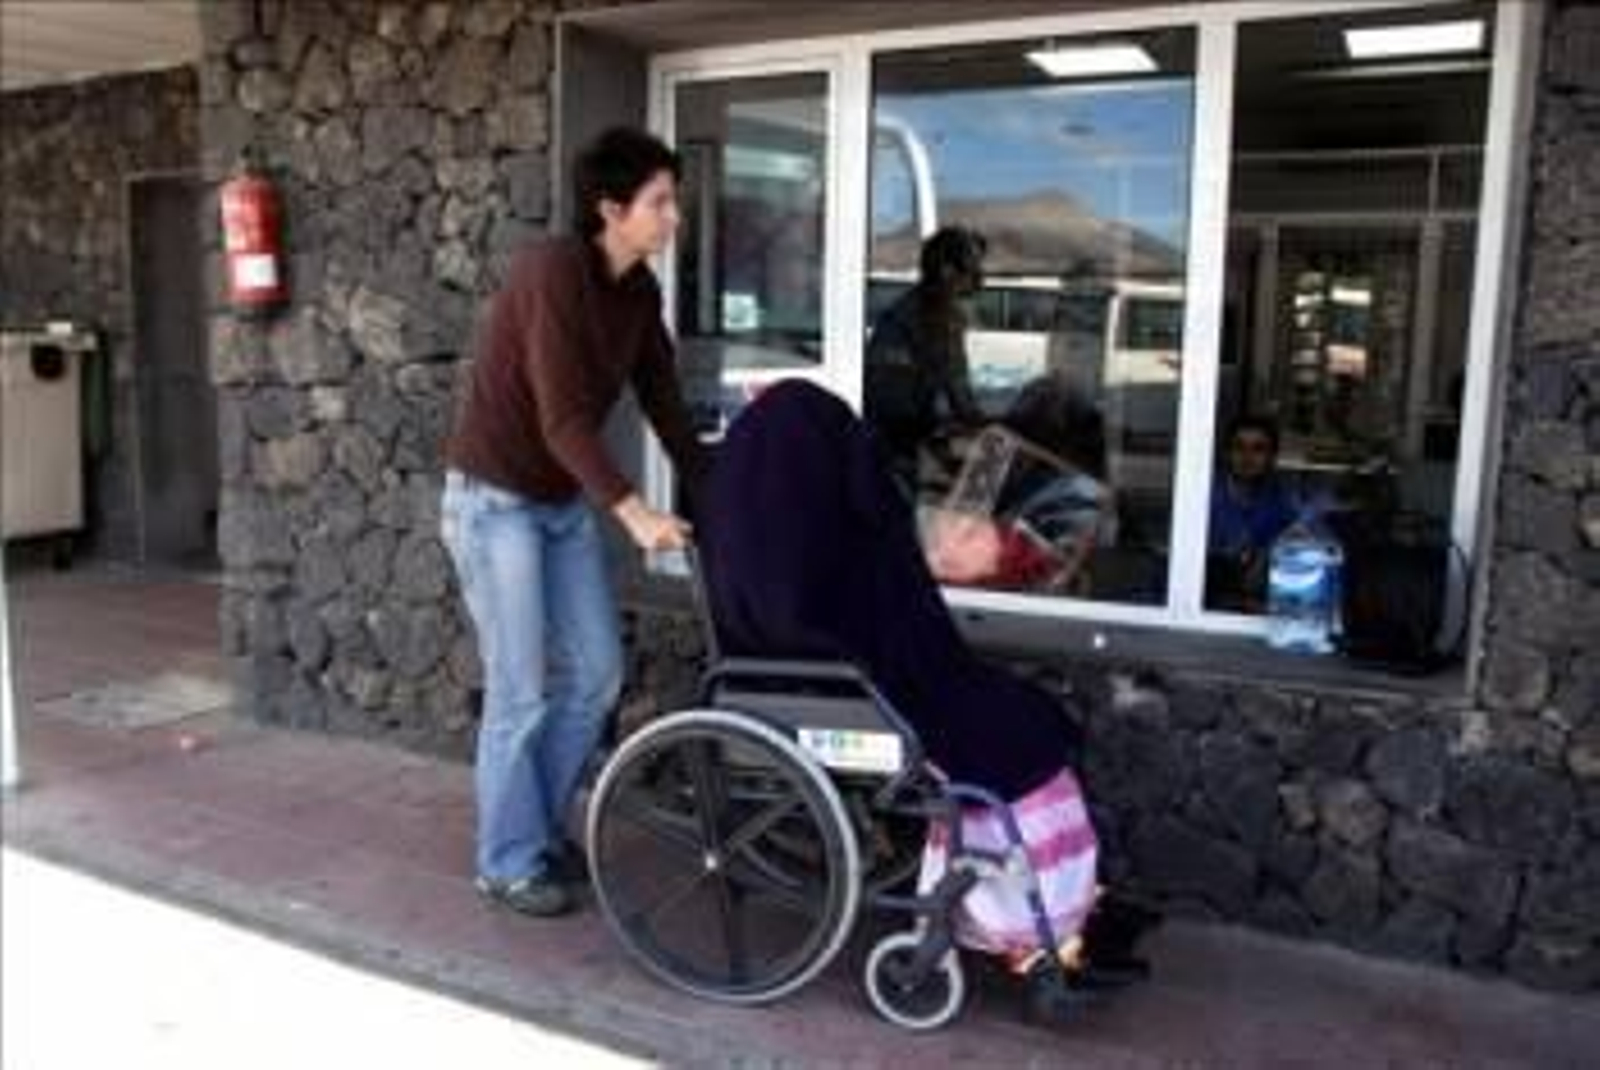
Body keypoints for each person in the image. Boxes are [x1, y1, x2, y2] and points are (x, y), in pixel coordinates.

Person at [698, 379, 1154, 1012]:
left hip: (875, 682)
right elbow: (799, 624)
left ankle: (1068, 912)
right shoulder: (781, 540)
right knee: (999, 750)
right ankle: (1036, 941)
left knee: (1023, 723)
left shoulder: (811, 521)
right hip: (834, 694)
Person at [441, 128, 707, 918]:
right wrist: (634, 512)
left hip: (556, 505)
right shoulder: (551, 273)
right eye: (660, 203)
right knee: (522, 691)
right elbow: (563, 419)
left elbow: (666, 406)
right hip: (494, 504)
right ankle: (507, 859)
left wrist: (722, 495)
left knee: (596, 675)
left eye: (672, 201)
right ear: (610, 210)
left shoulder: (638, 296)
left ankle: (533, 832)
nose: (674, 218)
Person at [864, 227, 989, 495]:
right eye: (971, 270)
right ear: (946, 271)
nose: (979, 281)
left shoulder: (916, 307)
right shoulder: (932, 316)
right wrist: (988, 429)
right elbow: (960, 396)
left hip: (897, 438)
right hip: (898, 447)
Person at [1207, 414, 1298, 611]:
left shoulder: (1278, 498)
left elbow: (1301, 528)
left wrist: (1265, 553)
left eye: (1258, 449)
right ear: (1226, 453)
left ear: (1272, 457)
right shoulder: (1205, 495)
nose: (1247, 457)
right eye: (1239, 447)